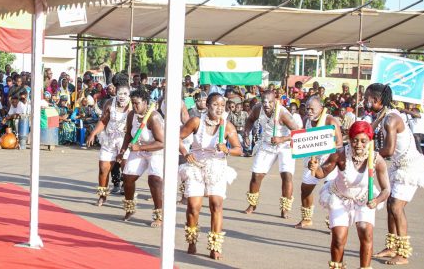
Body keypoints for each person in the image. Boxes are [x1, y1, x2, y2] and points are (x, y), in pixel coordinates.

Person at [364, 83, 424, 265]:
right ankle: (391, 246)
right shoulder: (382, 115)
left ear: (376, 100)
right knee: (390, 206)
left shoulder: (391, 119)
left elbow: (389, 149)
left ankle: (403, 253)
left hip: (409, 168)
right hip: (398, 166)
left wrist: (368, 156)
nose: (364, 100)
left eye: (366, 97)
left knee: (396, 207)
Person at [311, 121, 391, 269]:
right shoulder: (340, 154)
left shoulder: (376, 159)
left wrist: (377, 200)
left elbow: (386, 189)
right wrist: (315, 169)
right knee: (339, 239)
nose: (358, 144)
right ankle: (337, 266)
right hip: (339, 197)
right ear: (349, 139)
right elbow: (322, 173)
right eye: (355, 140)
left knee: (366, 233)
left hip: (365, 199)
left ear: (370, 141)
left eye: (363, 141)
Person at [179, 93, 241, 260]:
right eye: (215, 104)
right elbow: (177, 137)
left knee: (216, 204)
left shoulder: (227, 126)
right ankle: (191, 240)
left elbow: (238, 149)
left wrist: (227, 149)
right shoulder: (196, 121)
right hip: (196, 166)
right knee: (193, 206)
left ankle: (215, 245)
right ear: (207, 105)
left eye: (222, 105)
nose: (219, 108)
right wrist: (185, 153)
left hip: (217, 167)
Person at [242, 90, 302, 218]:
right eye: (264, 102)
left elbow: (298, 132)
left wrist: (282, 139)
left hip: (285, 145)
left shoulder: (283, 113)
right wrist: (246, 134)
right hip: (267, 143)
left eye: (270, 102)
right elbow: (250, 120)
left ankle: (285, 208)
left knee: (287, 176)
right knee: (256, 175)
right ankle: (252, 204)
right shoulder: (258, 109)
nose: (267, 104)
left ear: (275, 101)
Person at [117, 89, 165, 227]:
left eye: (137, 103)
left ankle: (159, 215)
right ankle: (130, 208)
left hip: (156, 151)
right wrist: (122, 151)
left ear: (145, 102)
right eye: (132, 103)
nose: (135, 106)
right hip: (138, 150)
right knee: (127, 177)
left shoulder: (153, 117)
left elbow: (161, 143)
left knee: (154, 180)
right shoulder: (132, 114)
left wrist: (140, 147)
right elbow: (128, 135)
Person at [295, 96, 343, 229]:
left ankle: (333, 223)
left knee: (331, 193)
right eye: (307, 109)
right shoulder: (306, 120)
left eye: (312, 109)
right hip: (312, 161)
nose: (309, 112)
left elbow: (339, 144)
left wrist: (323, 143)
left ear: (321, 109)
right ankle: (307, 218)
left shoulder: (330, 120)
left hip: (329, 161)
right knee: (305, 189)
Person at [86, 75, 131, 205]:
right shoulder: (109, 103)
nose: (122, 96)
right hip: (109, 139)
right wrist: (93, 133)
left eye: (125, 93)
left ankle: (128, 201)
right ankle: (102, 195)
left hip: (125, 141)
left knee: (127, 172)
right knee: (103, 168)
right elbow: (104, 121)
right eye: (119, 93)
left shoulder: (133, 104)